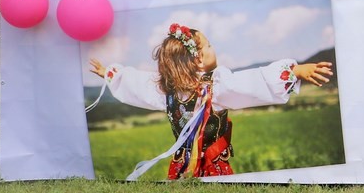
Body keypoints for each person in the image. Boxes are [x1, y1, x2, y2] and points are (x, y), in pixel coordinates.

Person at [88, 22, 333, 181]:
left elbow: (138, 84)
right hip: (212, 167)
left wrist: (112, 74)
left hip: (181, 166)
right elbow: (251, 82)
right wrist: (295, 71)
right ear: (199, 60)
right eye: (209, 45)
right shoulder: (216, 88)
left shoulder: (166, 91)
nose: (213, 48)